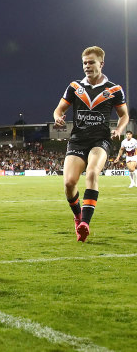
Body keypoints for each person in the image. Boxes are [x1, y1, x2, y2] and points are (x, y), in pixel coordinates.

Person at [53, 46, 129, 242]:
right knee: (69, 183)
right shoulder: (74, 87)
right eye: (84, 63)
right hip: (78, 140)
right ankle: (78, 217)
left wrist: (119, 130)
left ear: (101, 64)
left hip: (100, 140)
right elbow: (59, 109)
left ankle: (85, 223)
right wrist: (58, 117)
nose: (87, 66)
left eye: (91, 62)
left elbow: (124, 115)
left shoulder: (114, 89)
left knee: (93, 172)